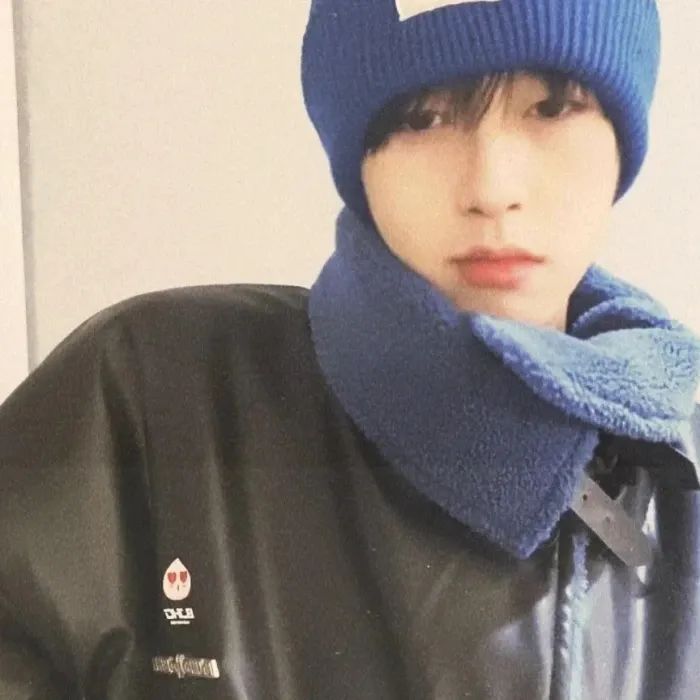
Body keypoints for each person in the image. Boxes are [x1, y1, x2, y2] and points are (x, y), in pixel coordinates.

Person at [2, 0, 700, 698]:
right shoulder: (149, 404)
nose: (492, 188)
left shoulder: (680, 477)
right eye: (423, 117)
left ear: (622, 137)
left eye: (552, 108)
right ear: (359, 158)